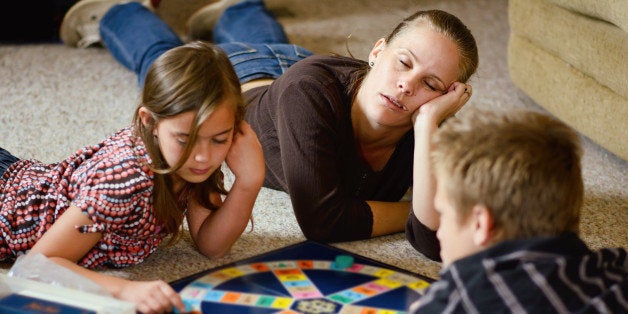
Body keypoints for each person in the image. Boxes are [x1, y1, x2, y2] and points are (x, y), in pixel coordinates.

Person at [60, 0, 478, 259]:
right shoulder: (310, 89)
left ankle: (238, 8)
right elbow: (324, 221)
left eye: (432, 85)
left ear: (447, 99)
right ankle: (122, 10)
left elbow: (434, 244)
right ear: (377, 50)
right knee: (165, 60)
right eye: (403, 62)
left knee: (274, 45)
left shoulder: (429, 127)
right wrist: (415, 213)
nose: (407, 84)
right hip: (246, 82)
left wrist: (425, 126)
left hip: (292, 66)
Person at [0, 41, 265, 313]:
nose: (203, 157)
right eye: (186, 140)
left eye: (220, 139)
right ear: (150, 122)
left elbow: (213, 246)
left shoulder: (191, 160)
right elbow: (35, 266)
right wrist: (124, 289)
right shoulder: (123, 180)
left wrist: (249, 180)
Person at [408, 108, 628, 313]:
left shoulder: (462, 298)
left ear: (480, 224)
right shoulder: (614, 266)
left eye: (443, 215)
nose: (439, 232)